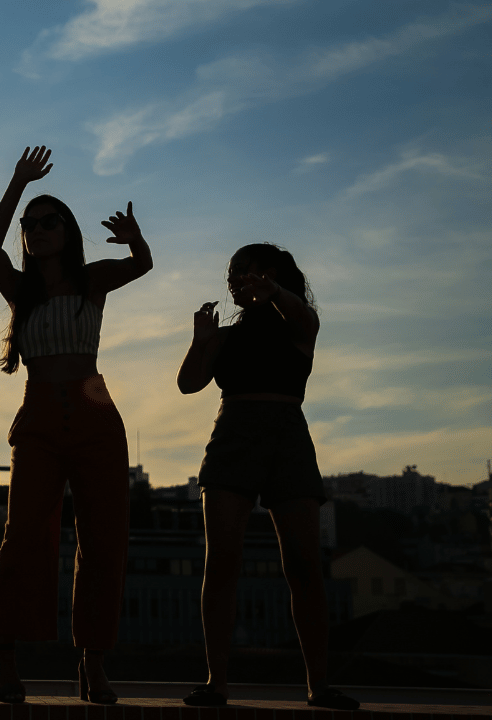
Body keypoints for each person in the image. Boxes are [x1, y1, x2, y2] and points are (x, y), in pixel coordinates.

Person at [0, 146, 151, 704]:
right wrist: (17, 182)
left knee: (104, 541)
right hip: (38, 414)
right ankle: (6, 658)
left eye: (48, 220)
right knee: (25, 535)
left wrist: (135, 238)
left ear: (68, 229)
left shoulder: (90, 280)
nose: (36, 230)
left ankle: (93, 666)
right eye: (29, 226)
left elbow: (142, 265)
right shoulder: (21, 290)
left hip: (95, 410)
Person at [176, 243, 358, 710]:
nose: (234, 280)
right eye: (231, 274)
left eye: (242, 272)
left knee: (303, 565)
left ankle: (318, 685)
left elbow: (304, 317)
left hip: (287, 437)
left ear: (270, 273)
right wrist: (201, 338)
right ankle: (217, 682)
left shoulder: (298, 325)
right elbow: (188, 383)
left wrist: (272, 291)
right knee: (223, 561)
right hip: (232, 435)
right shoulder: (226, 336)